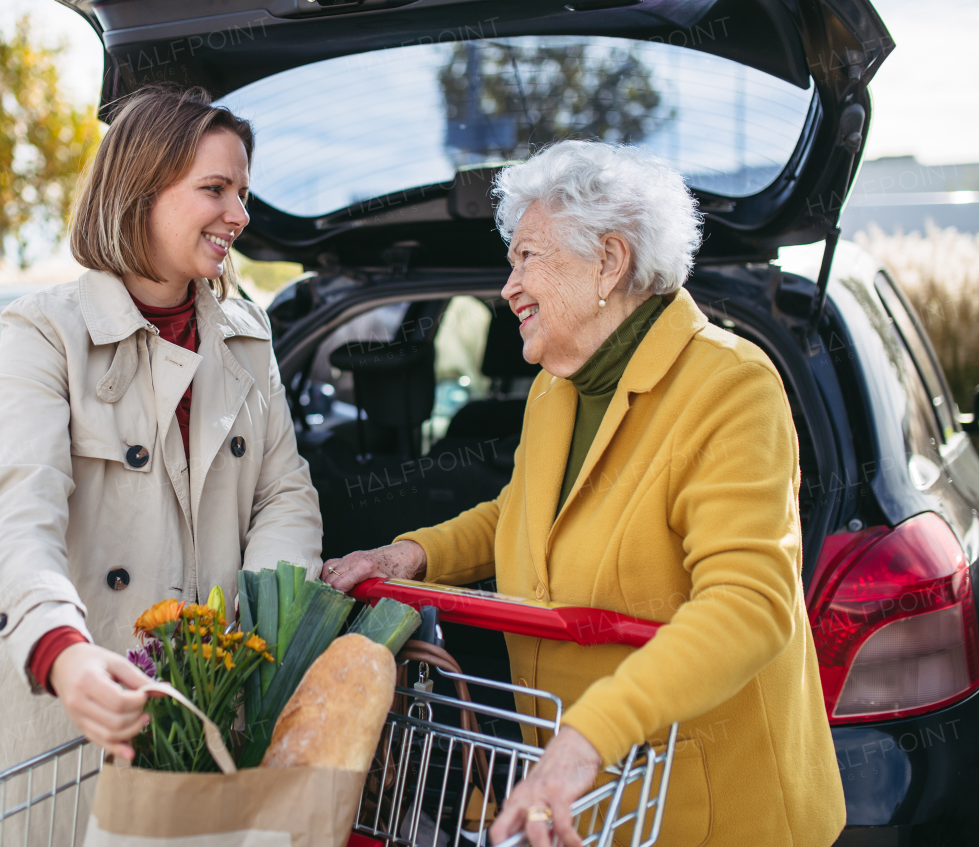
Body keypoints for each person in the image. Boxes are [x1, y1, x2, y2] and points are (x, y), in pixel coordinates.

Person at [323, 141, 844, 847]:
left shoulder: (730, 385)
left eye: (528, 257)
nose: (508, 286)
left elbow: (749, 604)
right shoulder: (557, 387)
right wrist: (411, 554)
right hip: (592, 801)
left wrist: (584, 738)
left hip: (710, 810)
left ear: (609, 260)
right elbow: (522, 512)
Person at [0, 86, 323, 845]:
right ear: (139, 188)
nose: (239, 215)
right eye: (215, 189)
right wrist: (62, 653)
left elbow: (282, 494)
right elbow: (19, 515)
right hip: (56, 715)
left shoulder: (247, 334)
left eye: (242, 192)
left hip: (200, 713)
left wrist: (261, 643)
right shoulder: (44, 332)